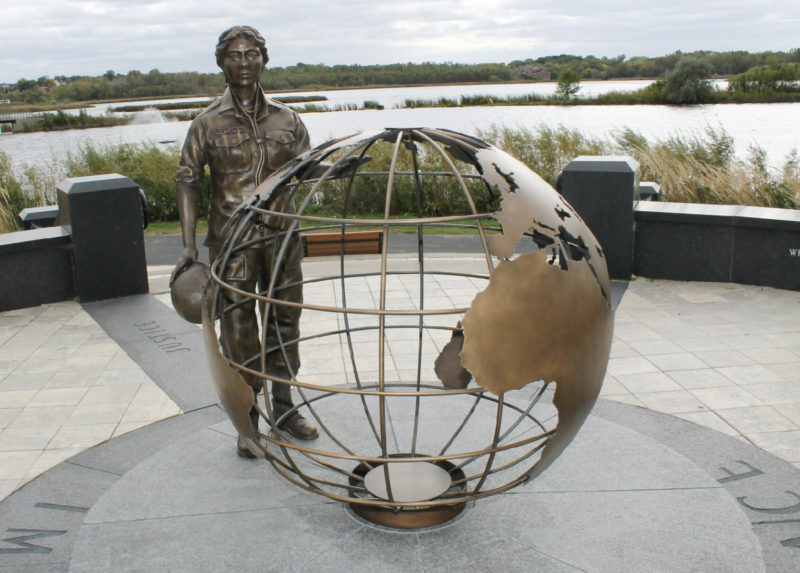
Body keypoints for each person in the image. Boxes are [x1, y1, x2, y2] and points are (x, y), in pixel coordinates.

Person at [172, 25, 318, 456]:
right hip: (231, 241)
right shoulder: (206, 123)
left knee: (285, 321)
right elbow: (187, 181)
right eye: (234, 55)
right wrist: (187, 246)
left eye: (251, 54)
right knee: (238, 332)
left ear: (264, 60)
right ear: (221, 62)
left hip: (282, 237)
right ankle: (247, 419)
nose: (243, 62)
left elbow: (307, 172)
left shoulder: (288, 120)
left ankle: (286, 407)